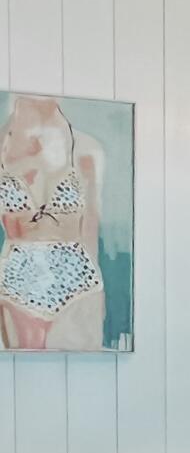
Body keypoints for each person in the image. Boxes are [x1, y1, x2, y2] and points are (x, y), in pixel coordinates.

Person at [0, 95, 106, 350]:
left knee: (83, 374)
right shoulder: (3, 145)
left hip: (79, 282)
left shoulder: (85, 148)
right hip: (16, 282)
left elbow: (91, 225)